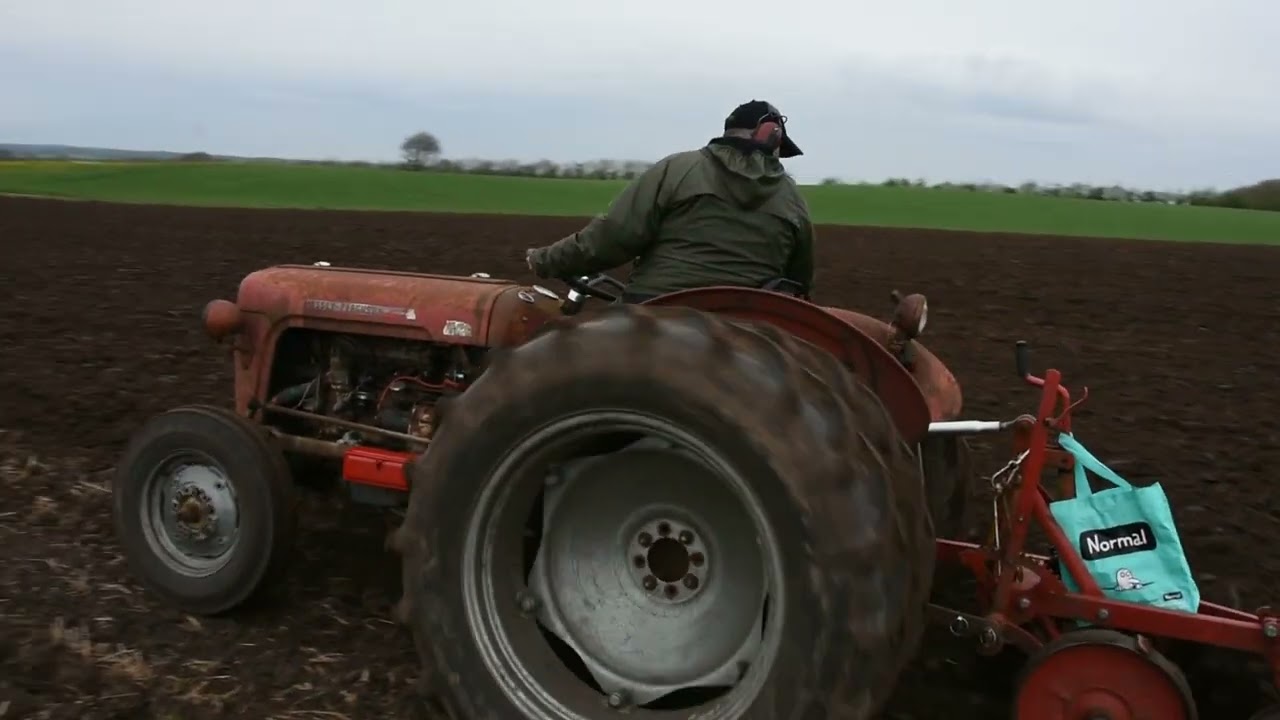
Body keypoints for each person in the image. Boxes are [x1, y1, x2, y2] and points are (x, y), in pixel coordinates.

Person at [524, 100, 816, 303]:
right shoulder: (793, 199)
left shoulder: (677, 169)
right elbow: (799, 279)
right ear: (770, 137)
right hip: (752, 318)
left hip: (659, 303)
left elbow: (614, 236)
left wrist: (546, 259)